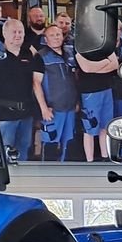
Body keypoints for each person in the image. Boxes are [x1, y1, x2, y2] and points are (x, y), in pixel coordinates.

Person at [0, 18, 36, 161]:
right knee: (4, 155)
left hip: (26, 115)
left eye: (20, 32)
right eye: (14, 32)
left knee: (24, 153)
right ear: (4, 33)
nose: (17, 35)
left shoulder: (28, 55)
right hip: (3, 116)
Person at [32, 24, 79, 161]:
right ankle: (47, 178)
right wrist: (44, 109)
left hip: (70, 108)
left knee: (68, 143)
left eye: (58, 34)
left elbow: (75, 79)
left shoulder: (70, 55)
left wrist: (77, 102)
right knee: (51, 144)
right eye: (51, 35)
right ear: (46, 39)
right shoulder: (41, 57)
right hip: (53, 109)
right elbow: (36, 83)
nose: (56, 38)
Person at [75, 48, 119, 162]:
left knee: (105, 126)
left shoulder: (105, 44)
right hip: (90, 92)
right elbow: (86, 68)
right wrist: (105, 62)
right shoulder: (80, 47)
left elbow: (115, 64)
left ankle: (105, 157)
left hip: (106, 89)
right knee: (89, 127)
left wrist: (95, 67)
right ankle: (90, 160)